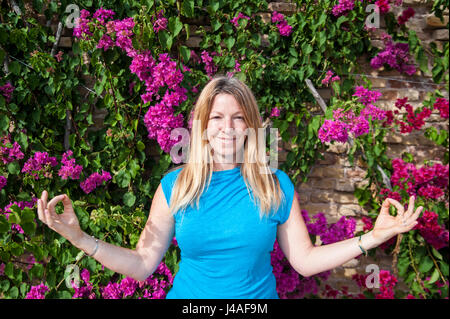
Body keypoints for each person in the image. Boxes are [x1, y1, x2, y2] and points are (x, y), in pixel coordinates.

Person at [37, 75, 423, 299]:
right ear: (203, 124)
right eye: (218, 117)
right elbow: (141, 264)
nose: (227, 127)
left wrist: (371, 238)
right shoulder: (176, 186)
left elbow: (304, 262)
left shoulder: (275, 186)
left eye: (239, 118)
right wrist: (79, 237)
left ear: (250, 126)